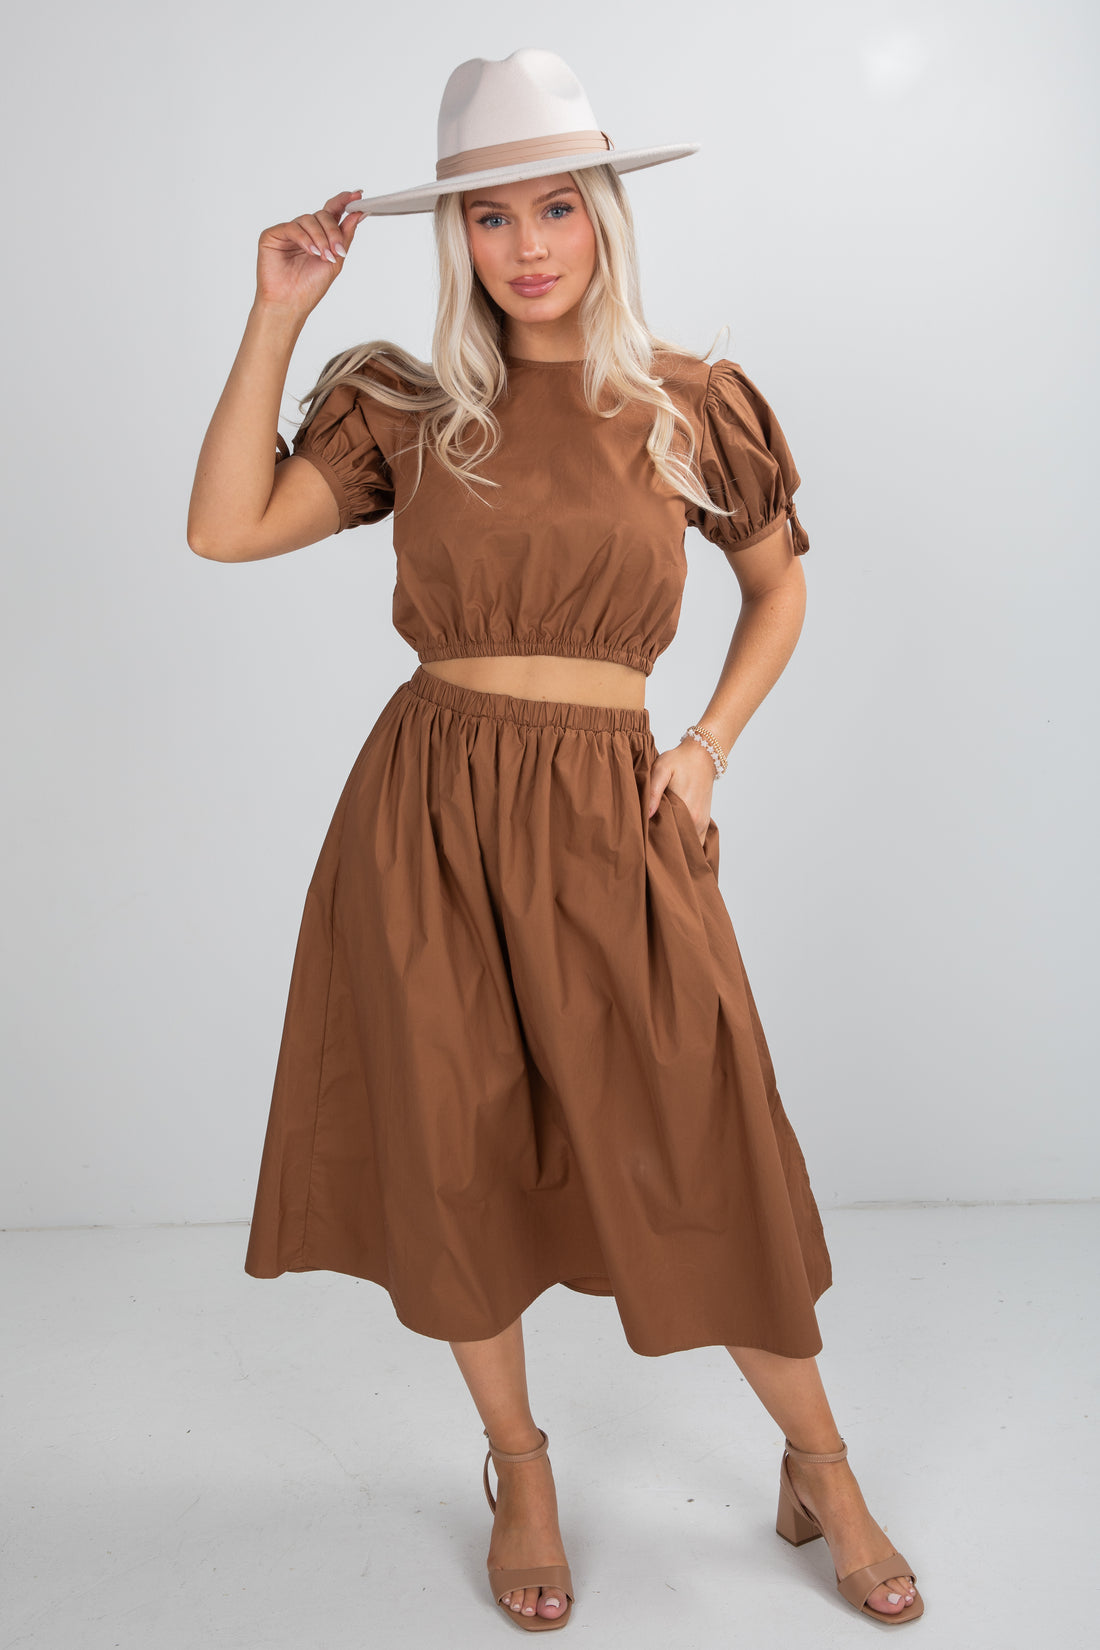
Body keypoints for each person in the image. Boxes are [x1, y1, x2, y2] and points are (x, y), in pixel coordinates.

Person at [187, 46, 923, 1635]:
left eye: (556, 207)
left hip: (611, 813)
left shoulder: (686, 403)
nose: (525, 244)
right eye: (488, 217)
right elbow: (225, 525)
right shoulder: (407, 405)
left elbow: (779, 587)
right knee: (457, 1146)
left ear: (601, 219)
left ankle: (824, 1466)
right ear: (454, 240)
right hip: (429, 815)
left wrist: (709, 745)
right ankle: (516, 1460)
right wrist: (278, 311)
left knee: (695, 1130)